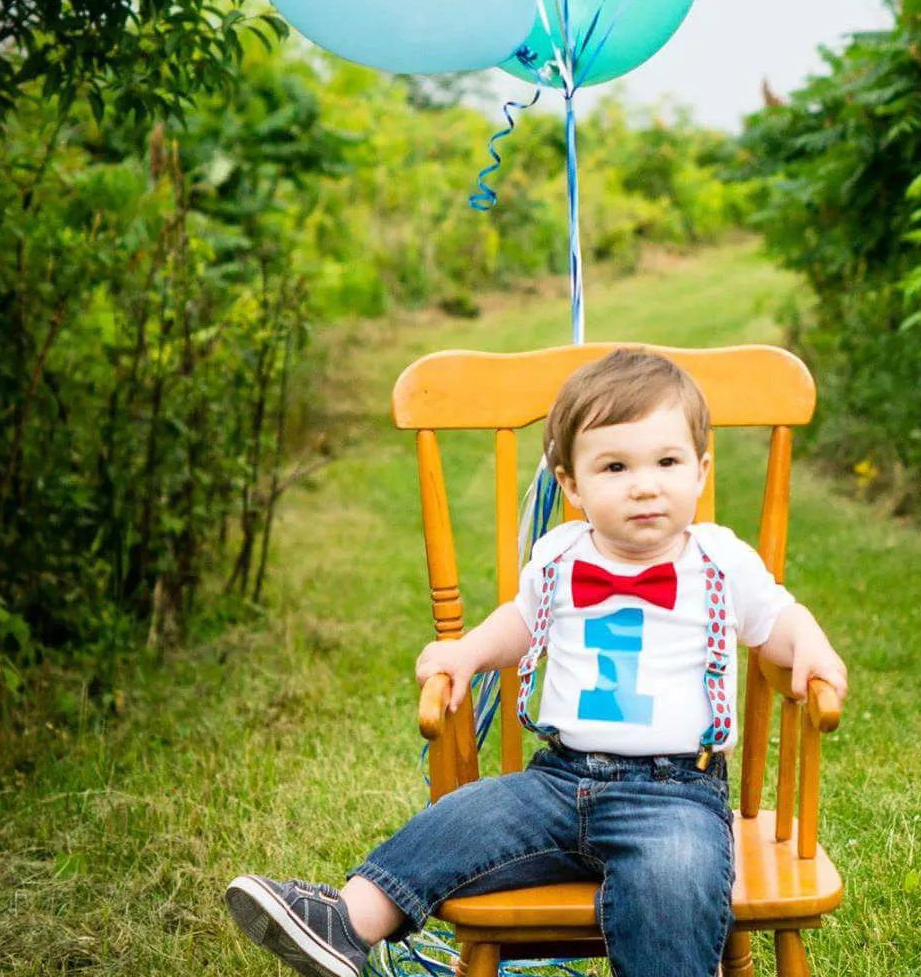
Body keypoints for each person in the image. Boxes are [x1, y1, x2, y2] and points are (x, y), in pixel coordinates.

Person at [226, 348, 848, 977]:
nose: (644, 484)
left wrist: (812, 646)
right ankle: (346, 921)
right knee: (462, 819)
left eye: (667, 461)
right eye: (614, 466)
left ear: (700, 470)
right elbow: (519, 625)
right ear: (572, 484)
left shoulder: (720, 559)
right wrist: (467, 652)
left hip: (675, 795)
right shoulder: (560, 554)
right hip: (558, 780)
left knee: (672, 884)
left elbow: (776, 621)